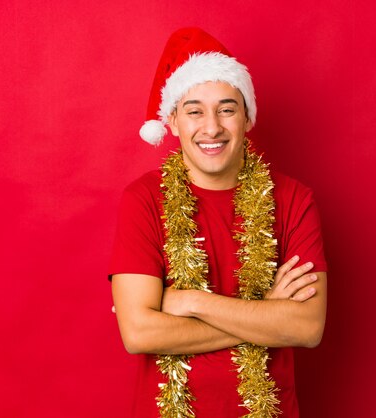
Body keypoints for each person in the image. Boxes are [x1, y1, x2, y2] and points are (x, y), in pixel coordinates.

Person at [109, 27, 328, 417]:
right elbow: (139, 332)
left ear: (247, 118)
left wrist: (191, 302)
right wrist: (266, 313)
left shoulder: (294, 199)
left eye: (227, 109)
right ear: (173, 121)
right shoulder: (143, 200)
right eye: (195, 111)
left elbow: (307, 327)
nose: (211, 127)